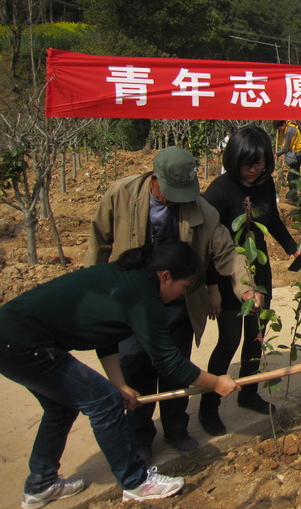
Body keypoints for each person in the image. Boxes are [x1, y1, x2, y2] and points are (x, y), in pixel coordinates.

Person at [0, 242, 242, 508]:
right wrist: (215, 382)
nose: (179, 296)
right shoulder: (143, 296)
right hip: (22, 344)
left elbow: (104, 334)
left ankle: (41, 484)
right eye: (183, 288)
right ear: (166, 276)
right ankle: (136, 482)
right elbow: (169, 362)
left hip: (14, 338)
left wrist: (120, 384)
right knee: (103, 402)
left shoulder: (125, 278)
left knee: (63, 408)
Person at [84, 147, 258, 461]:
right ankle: (140, 435)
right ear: (155, 179)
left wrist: (245, 287)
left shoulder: (202, 211)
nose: (178, 199)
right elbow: (99, 242)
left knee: (177, 368)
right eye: (171, 192)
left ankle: (177, 428)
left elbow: (227, 252)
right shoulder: (120, 195)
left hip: (178, 301)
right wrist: (92, 291)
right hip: (131, 302)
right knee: (135, 368)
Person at [199, 126, 301, 436]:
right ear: (234, 159)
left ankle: (249, 393)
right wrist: (212, 289)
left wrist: (294, 248)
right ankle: (209, 406)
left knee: (256, 337)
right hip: (226, 276)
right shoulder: (218, 192)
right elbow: (207, 243)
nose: (254, 169)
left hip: (258, 271)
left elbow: (272, 219)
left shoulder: (263, 185)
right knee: (230, 340)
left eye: (259, 163)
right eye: (248, 163)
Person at [274, 120, 301, 200]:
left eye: (280, 127)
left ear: (284, 124)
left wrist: (277, 154)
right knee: (296, 174)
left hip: (298, 153)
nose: (280, 129)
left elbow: (286, 147)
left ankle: (294, 197)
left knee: (291, 177)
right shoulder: (285, 129)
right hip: (295, 153)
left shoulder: (290, 130)